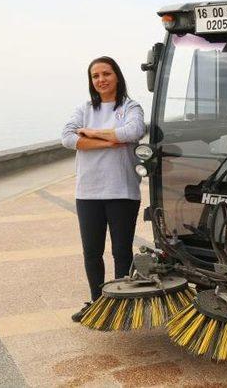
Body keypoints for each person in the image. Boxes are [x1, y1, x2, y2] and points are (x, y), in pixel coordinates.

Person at [61, 56, 145, 322]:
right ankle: (97, 304)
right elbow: (67, 138)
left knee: (121, 251)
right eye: (95, 76)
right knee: (92, 252)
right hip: (88, 192)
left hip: (122, 190)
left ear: (117, 76)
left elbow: (133, 132)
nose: (101, 80)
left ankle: (121, 305)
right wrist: (109, 141)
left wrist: (90, 133)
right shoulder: (84, 109)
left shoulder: (131, 106)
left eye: (106, 74)